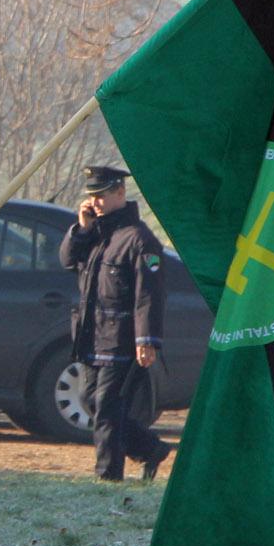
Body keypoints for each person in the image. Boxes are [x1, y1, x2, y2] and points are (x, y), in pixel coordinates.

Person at [60, 163, 174, 482]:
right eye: (92, 196)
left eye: (101, 196)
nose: (95, 202)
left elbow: (149, 294)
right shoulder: (96, 234)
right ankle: (150, 450)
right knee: (91, 402)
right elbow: (68, 261)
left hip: (123, 341)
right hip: (91, 337)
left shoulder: (139, 239)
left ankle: (107, 477)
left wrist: (146, 340)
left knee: (108, 409)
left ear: (120, 193)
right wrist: (81, 229)